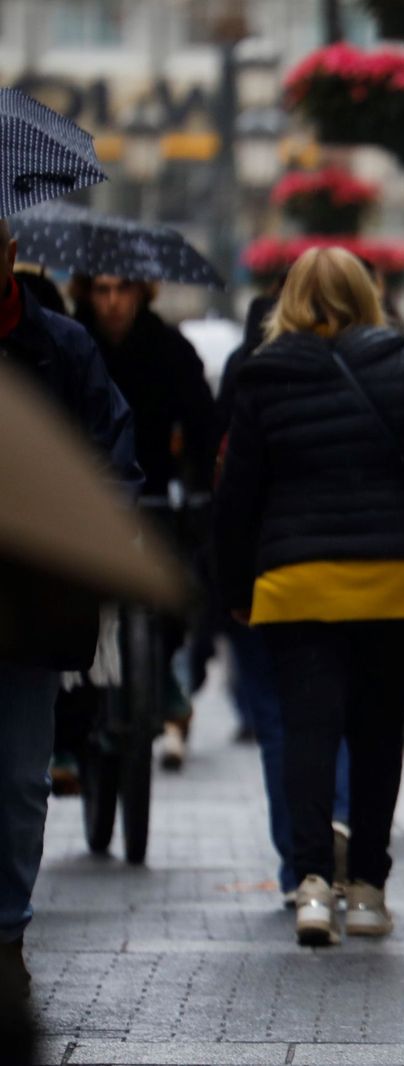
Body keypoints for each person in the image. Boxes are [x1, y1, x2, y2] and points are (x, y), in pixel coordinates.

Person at [212, 246, 404, 946]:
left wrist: (234, 586)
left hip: (295, 582)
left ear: (290, 299)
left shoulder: (262, 373)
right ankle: (366, 889)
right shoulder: (401, 364)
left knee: (308, 731)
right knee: (374, 737)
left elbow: (237, 494)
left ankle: (309, 884)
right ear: (367, 296)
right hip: (394, 582)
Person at [0, 217, 140, 1040]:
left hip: (31, 594)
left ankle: (8, 931)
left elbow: (116, 455)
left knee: (19, 777)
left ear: (12, 254)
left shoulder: (62, 347)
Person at [70, 272, 220, 770]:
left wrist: (200, 488)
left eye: (123, 290)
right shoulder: (73, 342)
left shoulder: (171, 349)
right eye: (102, 290)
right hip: (87, 497)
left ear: (142, 293)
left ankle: (164, 682)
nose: (113, 303)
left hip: (154, 495)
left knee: (174, 595)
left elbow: (202, 423)